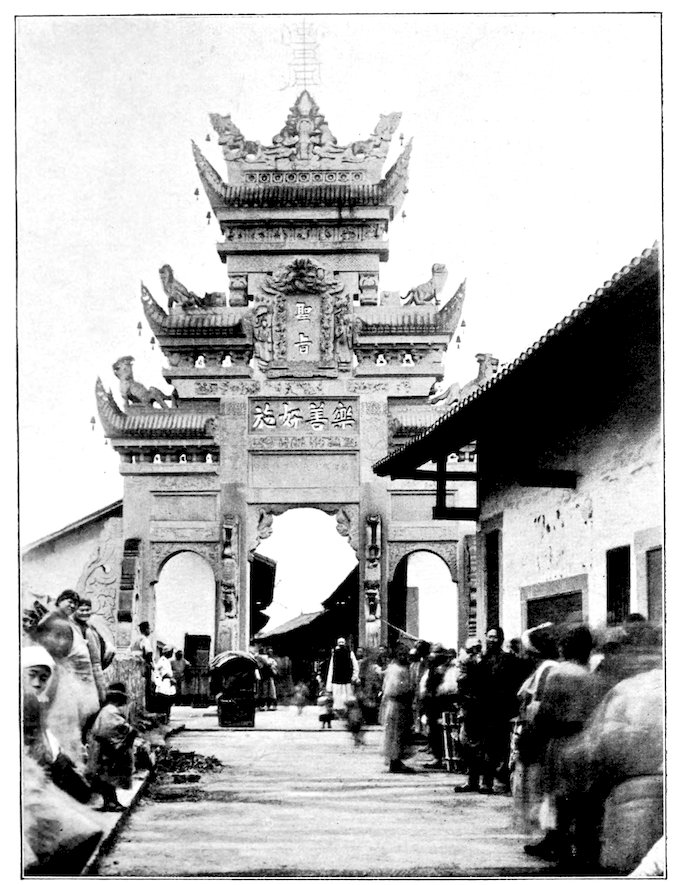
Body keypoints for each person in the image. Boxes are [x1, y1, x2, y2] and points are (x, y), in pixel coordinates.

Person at [524, 623, 597, 863]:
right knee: (580, 799)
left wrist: (534, 735)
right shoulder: (589, 675)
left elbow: (547, 712)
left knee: (560, 797)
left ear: (566, 646)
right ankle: (577, 849)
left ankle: (561, 849)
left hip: (561, 740)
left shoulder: (559, 673)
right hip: (585, 739)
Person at [35, 590, 100, 767]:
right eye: (69, 601)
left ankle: (72, 757)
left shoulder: (68, 623)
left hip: (76, 680)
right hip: (61, 678)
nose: (72, 605)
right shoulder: (52, 621)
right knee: (63, 723)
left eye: (74, 603)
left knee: (81, 717)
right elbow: (52, 652)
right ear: (59, 601)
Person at [511, 622, 559, 840]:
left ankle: (548, 835)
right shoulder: (543, 668)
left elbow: (536, 705)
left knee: (541, 785)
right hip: (535, 729)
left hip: (539, 733)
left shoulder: (547, 669)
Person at [87, 683, 137, 813]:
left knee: (108, 778)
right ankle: (110, 803)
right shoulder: (110, 711)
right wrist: (128, 731)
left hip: (106, 748)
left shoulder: (108, 710)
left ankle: (112, 802)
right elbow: (110, 729)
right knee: (107, 778)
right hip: (107, 749)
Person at [381, 644, 416, 773]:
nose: (404, 657)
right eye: (401, 655)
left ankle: (396, 760)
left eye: (405, 655)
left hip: (401, 705)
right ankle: (394, 760)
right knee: (395, 733)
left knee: (400, 733)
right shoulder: (396, 670)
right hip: (396, 704)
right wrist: (408, 690)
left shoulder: (404, 669)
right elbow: (393, 689)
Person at [72, 597, 107, 708]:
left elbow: (106, 647)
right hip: (79, 669)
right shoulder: (73, 627)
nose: (85, 613)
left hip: (95, 667)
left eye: (87, 610)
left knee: (97, 698)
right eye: (81, 610)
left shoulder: (91, 627)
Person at [325, 637, 359, 716]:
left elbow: (355, 666)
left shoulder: (349, 653)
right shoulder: (335, 653)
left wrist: (354, 676)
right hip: (338, 679)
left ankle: (344, 712)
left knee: (345, 696)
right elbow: (331, 668)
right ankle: (340, 712)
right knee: (340, 697)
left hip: (345, 680)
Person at [132, 621, 154, 712]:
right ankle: (146, 708)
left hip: (135, 666)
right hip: (144, 665)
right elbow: (148, 653)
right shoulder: (145, 640)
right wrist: (151, 664)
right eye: (149, 628)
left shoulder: (136, 640)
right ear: (145, 629)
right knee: (147, 687)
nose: (150, 630)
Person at [153, 646, 176, 724]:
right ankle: (164, 718)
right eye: (171, 652)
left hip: (167, 684)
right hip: (163, 683)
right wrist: (171, 678)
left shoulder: (166, 661)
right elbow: (162, 673)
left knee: (169, 701)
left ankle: (167, 717)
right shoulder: (162, 661)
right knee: (165, 701)